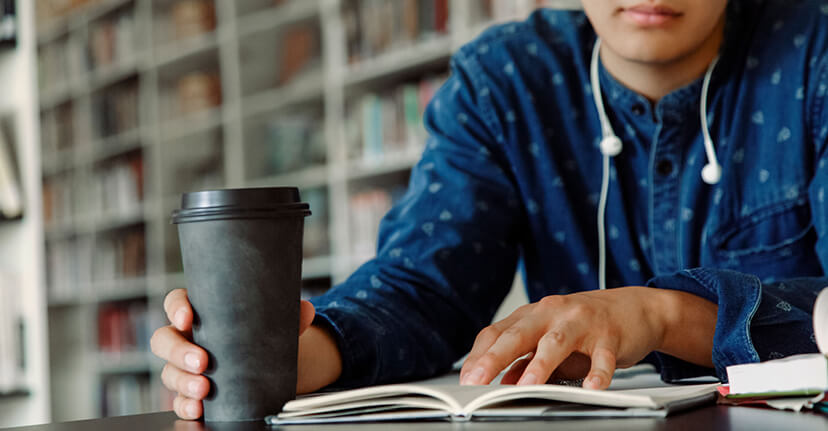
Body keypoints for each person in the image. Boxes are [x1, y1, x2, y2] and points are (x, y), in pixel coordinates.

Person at [151, 0, 827, 420]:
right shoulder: (504, 81)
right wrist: (306, 355)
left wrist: (658, 314)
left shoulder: (814, 52)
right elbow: (423, 284)